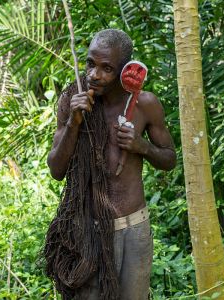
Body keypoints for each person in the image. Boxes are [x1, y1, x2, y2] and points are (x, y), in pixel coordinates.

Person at [43, 29, 176, 299]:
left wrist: (142, 146)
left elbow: (169, 159)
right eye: (91, 64)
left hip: (134, 228)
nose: (94, 75)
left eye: (107, 68)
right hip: (86, 231)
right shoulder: (72, 99)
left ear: (126, 70)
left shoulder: (144, 105)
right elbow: (56, 170)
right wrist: (74, 123)